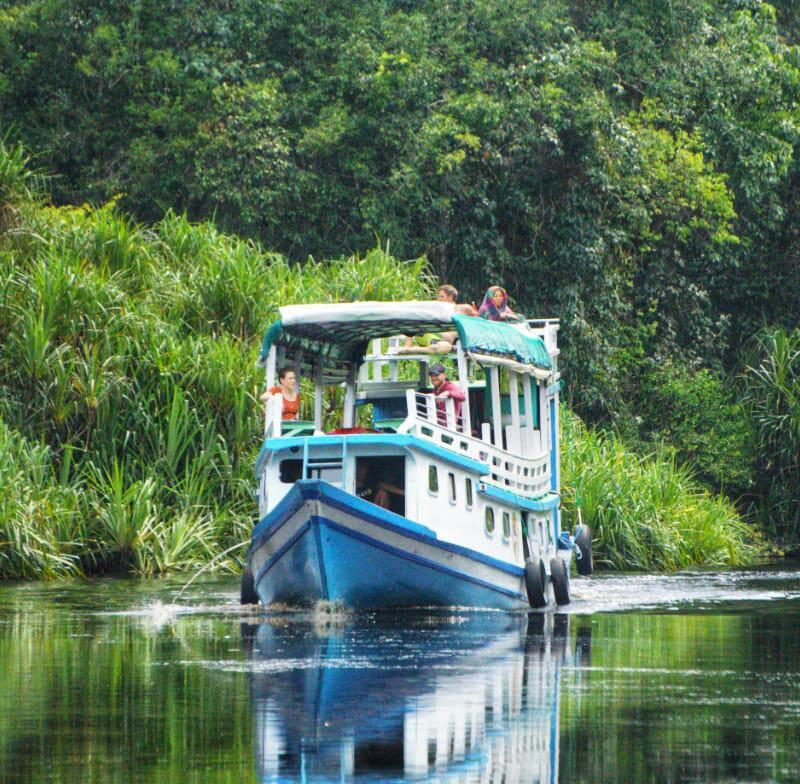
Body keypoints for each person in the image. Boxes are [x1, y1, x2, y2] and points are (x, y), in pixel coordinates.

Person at [398, 284, 477, 354]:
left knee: (445, 346)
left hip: (443, 341)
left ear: (450, 297)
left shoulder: (462, 308)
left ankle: (413, 349)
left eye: (442, 296)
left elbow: (474, 319)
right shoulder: (436, 309)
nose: (439, 299)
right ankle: (408, 345)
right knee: (415, 310)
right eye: (438, 296)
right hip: (429, 333)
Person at [428, 362, 466, 429]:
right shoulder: (435, 389)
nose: (433, 377)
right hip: (437, 421)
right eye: (431, 375)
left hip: (448, 424)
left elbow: (462, 396)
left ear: (444, 375)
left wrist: (448, 393)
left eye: (436, 375)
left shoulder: (450, 387)